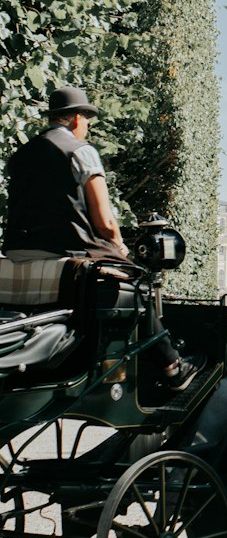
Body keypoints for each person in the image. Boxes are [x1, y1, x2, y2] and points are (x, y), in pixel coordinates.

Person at [2, 85, 201, 391]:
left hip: (17, 253)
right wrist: (120, 247)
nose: (89, 126)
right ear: (76, 119)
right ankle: (172, 366)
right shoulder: (81, 152)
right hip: (66, 251)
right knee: (137, 283)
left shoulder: (22, 155)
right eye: (87, 118)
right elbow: (105, 221)